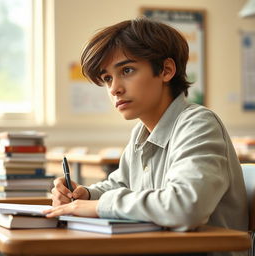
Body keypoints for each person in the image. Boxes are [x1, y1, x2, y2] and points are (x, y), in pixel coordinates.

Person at [44, 17, 248, 241]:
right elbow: (121, 184)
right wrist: (86, 194)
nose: (114, 89)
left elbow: (185, 206)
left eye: (127, 70)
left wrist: (98, 205)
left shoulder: (198, 124)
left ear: (166, 70)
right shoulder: (141, 132)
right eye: (107, 78)